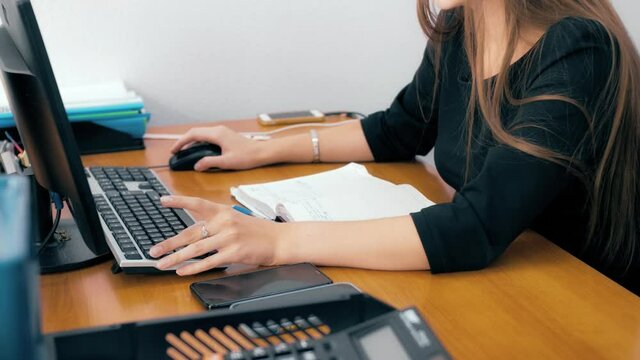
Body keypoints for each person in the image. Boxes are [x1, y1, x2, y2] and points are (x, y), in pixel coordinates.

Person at [149, 0, 640, 295]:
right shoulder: (463, 24)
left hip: (586, 301)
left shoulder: (580, 49)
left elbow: (476, 227)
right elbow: (396, 130)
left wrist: (278, 241)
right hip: (512, 276)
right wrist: (262, 148)